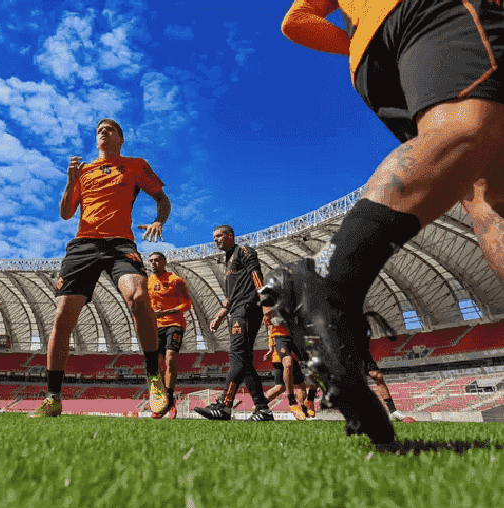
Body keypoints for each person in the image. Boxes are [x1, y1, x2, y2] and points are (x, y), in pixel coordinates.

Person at [263, 0, 504, 444]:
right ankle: (330, 277)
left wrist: (356, 41)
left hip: (373, 59)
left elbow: (296, 21)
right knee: (467, 128)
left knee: (481, 189)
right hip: (436, 10)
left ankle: (330, 277)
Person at [29, 118, 172, 418]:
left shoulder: (135, 165)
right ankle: (53, 397)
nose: (103, 132)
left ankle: (154, 378)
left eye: (109, 129)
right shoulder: (83, 171)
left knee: (139, 297)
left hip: (120, 244)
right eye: (99, 130)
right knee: (63, 315)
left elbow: (162, 198)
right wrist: (70, 181)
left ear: (121, 138)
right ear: (97, 140)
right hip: (83, 245)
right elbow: (66, 213)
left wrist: (160, 220)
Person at [194, 225, 274, 422]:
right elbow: (233, 293)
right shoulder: (227, 260)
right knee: (244, 362)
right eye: (214, 237)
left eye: (219, 235)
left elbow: (256, 275)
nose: (216, 240)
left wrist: (265, 303)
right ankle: (262, 410)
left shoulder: (243, 251)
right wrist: (221, 314)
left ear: (230, 235)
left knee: (237, 357)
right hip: (237, 310)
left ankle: (224, 406)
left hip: (247, 308)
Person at [147, 251, 193, 419]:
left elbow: (187, 304)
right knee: (157, 365)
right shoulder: (148, 281)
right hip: (157, 326)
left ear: (164, 262)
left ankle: (169, 397)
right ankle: (161, 401)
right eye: (151, 261)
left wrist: (166, 311)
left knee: (170, 359)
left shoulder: (175, 280)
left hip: (175, 324)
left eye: (156, 260)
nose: (153, 263)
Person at [262, 316, 307, 421]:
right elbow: (270, 325)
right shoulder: (272, 309)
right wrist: (270, 347)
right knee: (283, 382)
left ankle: (304, 411)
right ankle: (293, 403)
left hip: (290, 347)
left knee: (284, 387)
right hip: (280, 350)